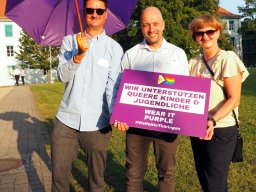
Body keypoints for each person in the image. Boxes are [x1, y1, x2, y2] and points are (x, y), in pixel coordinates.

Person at [113, 7, 189, 192]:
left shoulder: (177, 54)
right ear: (141, 27)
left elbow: (185, 89)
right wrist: (119, 114)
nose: (151, 29)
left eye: (155, 24)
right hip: (136, 125)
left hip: (167, 125)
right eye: (146, 24)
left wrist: (186, 120)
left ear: (163, 25)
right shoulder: (131, 54)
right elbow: (118, 87)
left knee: (167, 173)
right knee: (133, 175)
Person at [51, 0, 123, 191]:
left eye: (99, 10)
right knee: (59, 180)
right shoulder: (69, 41)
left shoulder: (114, 49)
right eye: (90, 10)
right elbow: (62, 76)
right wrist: (78, 56)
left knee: (96, 182)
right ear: (84, 13)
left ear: (106, 14)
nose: (94, 13)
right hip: (66, 121)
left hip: (98, 124)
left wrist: (116, 114)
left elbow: (113, 87)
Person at [188, 15, 249, 192]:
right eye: (200, 33)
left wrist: (212, 120)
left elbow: (234, 98)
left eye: (210, 31)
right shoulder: (194, 62)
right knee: (204, 178)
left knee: (215, 182)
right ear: (195, 36)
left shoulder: (227, 58)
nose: (205, 36)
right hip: (197, 128)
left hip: (221, 128)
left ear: (218, 32)